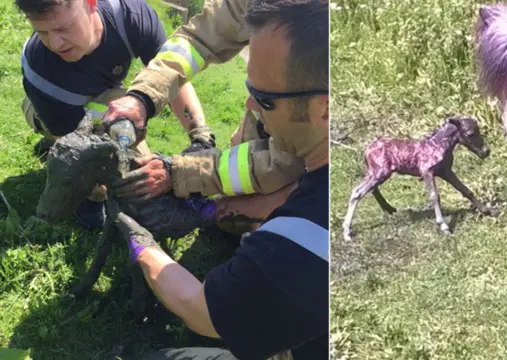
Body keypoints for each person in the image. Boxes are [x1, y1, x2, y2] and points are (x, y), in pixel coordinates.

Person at [107, 0, 329, 358]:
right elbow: (199, 36)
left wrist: (141, 242)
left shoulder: (311, 234)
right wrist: (144, 95)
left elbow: (203, 311)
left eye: (264, 99)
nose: (249, 107)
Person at [101, 0, 310, 231]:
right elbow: (199, 38)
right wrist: (143, 95)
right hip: (265, 134)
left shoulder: (319, 53)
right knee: (231, 216)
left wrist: (179, 172)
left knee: (265, 225)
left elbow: (284, 161)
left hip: (297, 163)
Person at [16, 0, 215, 230]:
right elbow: (77, 148)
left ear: (90, 3)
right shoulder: (40, 72)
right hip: (49, 108)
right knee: (123, 170)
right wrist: (100, 190)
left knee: (119, 122)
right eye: (42, 32)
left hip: (106, 96)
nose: (55, 43)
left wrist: (200, 136)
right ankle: (88, 194)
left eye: (63, 28)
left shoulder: (131, 17)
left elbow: (171, 78)